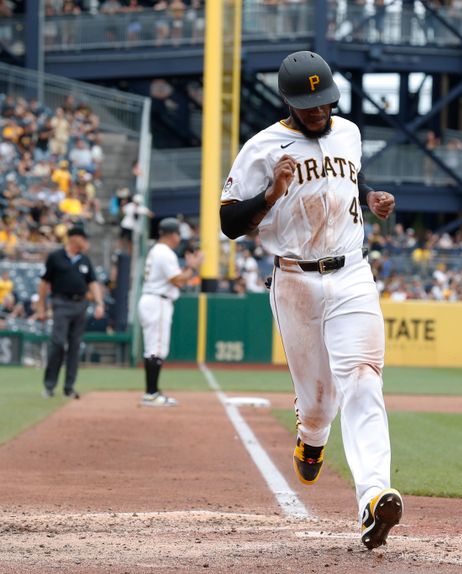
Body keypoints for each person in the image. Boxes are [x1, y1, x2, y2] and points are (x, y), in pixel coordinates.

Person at [219, 51, 403, 549]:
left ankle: (373, 496)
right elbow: (229, 223)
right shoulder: (262, 148)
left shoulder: (349, 133)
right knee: (319, 402)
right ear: (289, 102)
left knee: (363, 379)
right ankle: (312, 437)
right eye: (309, 106)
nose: (319, 113)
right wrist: (270, 195)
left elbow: (345, 179)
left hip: (352, 273)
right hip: (295, 279)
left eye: (325, 104)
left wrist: (370, 198)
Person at [137, 218, 203, 407]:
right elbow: (177, 280)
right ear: (173, 235)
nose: (179, 238)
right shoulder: (164, 252)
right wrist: (192, 267)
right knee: (155, 349)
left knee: (155, 348)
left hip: (154, 299)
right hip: (157, 300)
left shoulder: (158, 251)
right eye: (178, 234)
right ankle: (151, 393)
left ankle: (153, 392)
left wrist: (189, 269)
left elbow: (175, 278)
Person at [36, 225, 105, 399]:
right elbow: (44, 283)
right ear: (74, 238)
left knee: (75, 346)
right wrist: (41, 307)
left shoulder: (84, 260)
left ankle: (69, 387)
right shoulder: (55, 257)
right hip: (61, 302)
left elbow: (93, 283)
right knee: (58, 343)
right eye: (84, 238)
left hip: (80, 305)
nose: (86, 242)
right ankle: (49, 385)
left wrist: (99, 303)